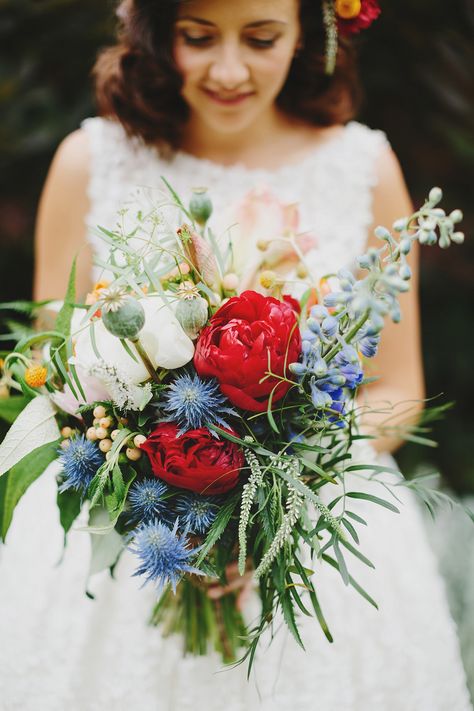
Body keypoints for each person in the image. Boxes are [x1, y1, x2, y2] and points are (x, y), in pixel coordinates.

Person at [0, 0, 471, 708]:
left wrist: (271, 485)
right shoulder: (87, 161)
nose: (228, 69)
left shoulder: (363, 166)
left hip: (309, 532)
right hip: (128, 537)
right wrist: (162, 486)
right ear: (157, 33)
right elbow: (58, 381)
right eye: (197, 37)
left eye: (260, 38)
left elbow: (397, 389)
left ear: (309, 33)